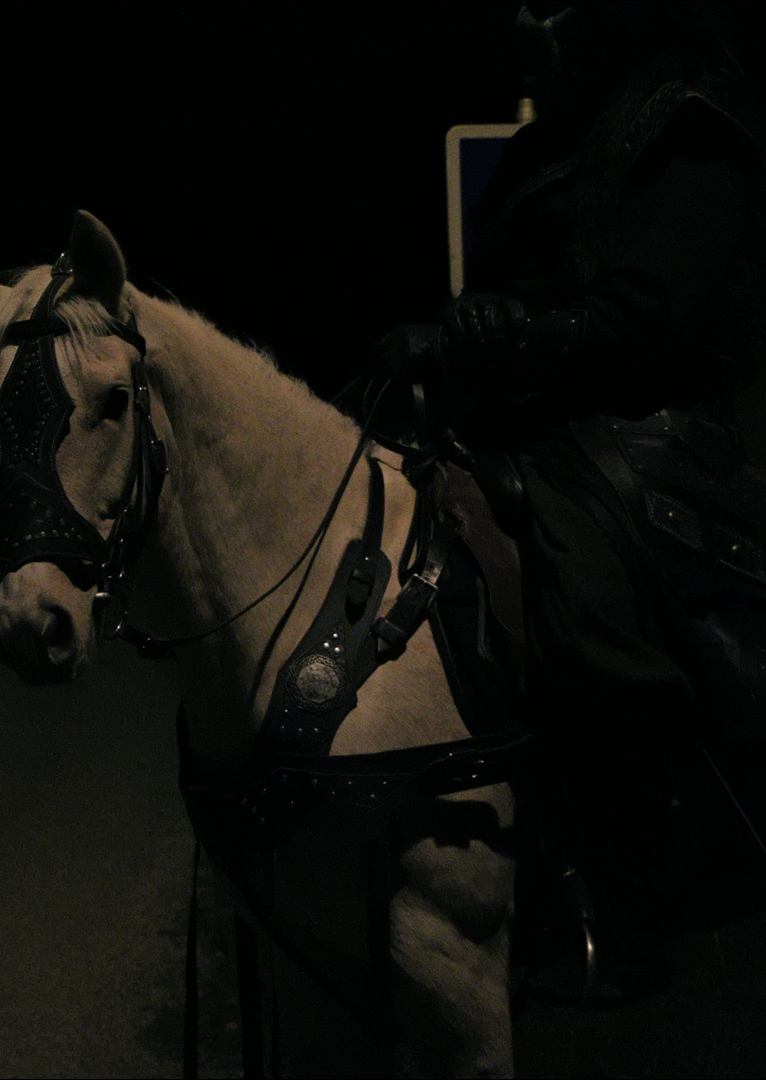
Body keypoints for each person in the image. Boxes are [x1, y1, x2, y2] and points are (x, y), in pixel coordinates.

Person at [378, 1, 766, 1001]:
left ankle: (644, 885)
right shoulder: (563, 128)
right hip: (556, 415)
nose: (530, 15)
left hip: (676, 432)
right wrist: (456, 336)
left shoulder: (686, 121)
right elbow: (523, 285)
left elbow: (654, 323)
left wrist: (502, 335)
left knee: (577, 588)